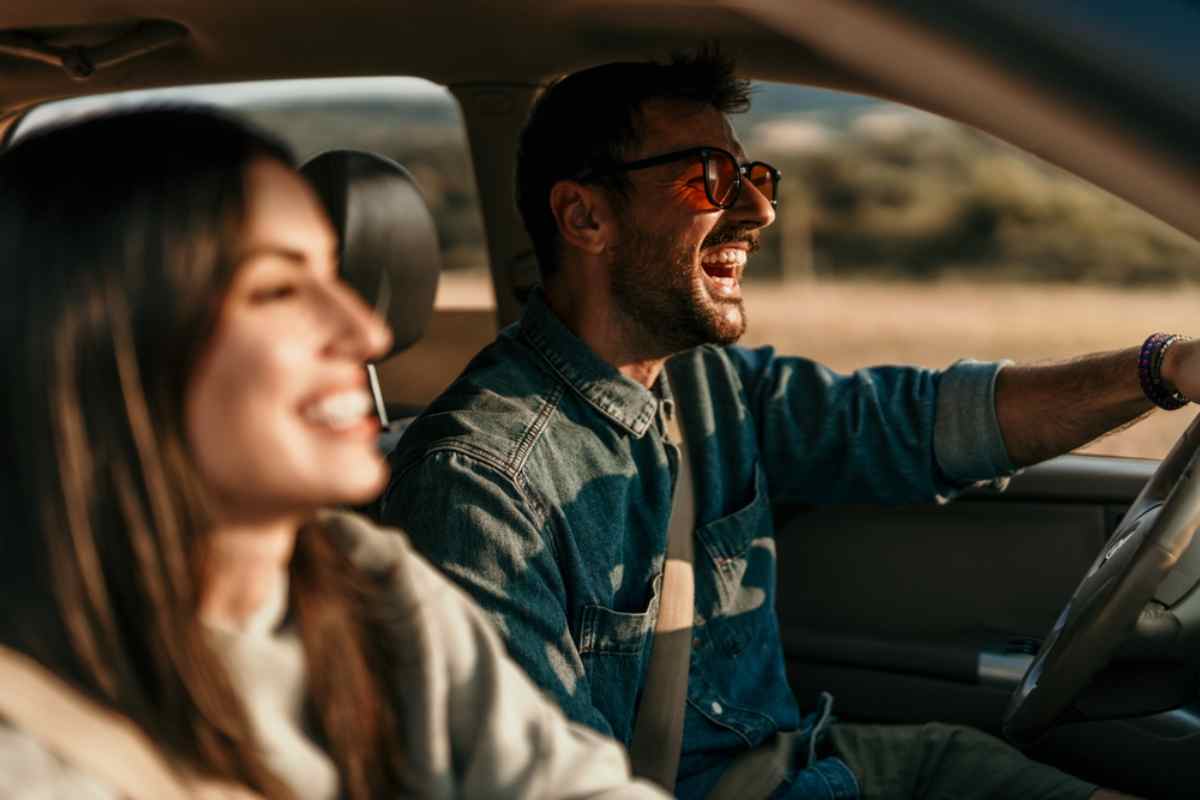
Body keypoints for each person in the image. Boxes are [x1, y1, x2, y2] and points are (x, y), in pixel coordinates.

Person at [380, 50, 1169, 799]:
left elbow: (918, 425)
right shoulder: (477, 481)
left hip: (805, 769)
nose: (759, 210)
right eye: (710, 178)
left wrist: (1160, 371)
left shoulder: (706, 385)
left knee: (980, 766)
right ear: (584, 217)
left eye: (754, 175)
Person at [0, 108, 665, 800]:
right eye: (279, 289)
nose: (365, 330)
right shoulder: (25, 760)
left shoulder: (373, 594)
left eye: (333, 273)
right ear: (99, 352)